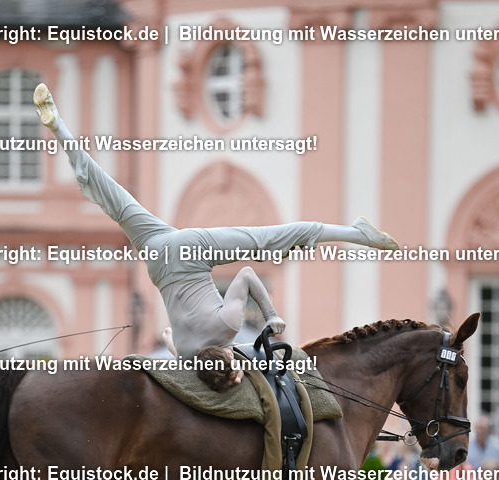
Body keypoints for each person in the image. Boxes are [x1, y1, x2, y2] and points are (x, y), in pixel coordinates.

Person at [33, 83, 401, 359]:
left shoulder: (227, 330)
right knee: (113, 198)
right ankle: (59, 127)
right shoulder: (187, 354)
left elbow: (245, 275)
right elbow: (167, 337)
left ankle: (358, 234)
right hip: (158, 259)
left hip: (188, 253)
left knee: (268, 240)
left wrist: (272, 317)